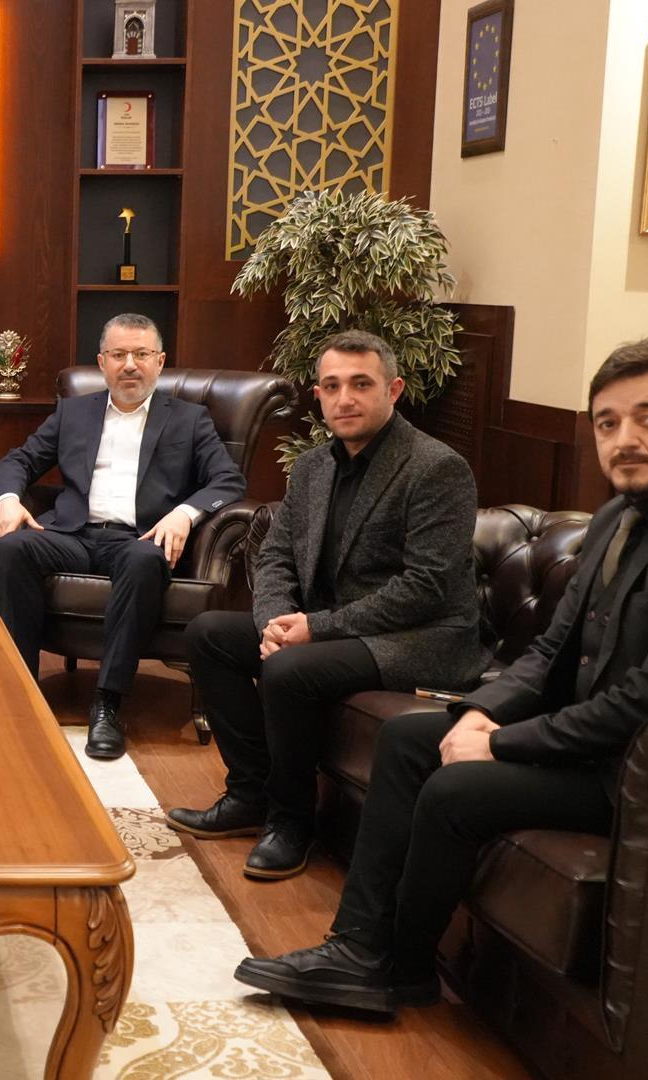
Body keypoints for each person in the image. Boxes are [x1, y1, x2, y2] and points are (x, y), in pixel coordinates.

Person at [233, 339, 648, 1014]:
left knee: (456, 787)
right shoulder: (619, 515)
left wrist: (500, 743)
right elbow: (552, 649)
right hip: (600, 745)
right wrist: (482, 711)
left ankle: (398, 967)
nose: (625, 439)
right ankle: (360, 949)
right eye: (608, 421)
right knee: (409, 740)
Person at [167, 330, 486, 880]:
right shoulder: (314, 466)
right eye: (332, 386)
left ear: (393, 390)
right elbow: (276, 556)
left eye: (361, 384)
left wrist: (315, 628)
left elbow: (425, 587)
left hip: (419, 637)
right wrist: (273, 623)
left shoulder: (437, 467)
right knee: (208, 633)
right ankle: (250, 794)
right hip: (334, 630)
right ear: (317, 395)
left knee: (290, 668)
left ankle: (292, 821)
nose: (345, 399)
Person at [0, 313, 245, 760]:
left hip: (139, 540)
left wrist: (184, 514)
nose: (130, 365)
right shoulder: (74, 412)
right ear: (102, 362)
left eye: (141, 354)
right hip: (73, 534)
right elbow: (19, 460)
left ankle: (107, 703)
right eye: (119, 354)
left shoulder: (189, 420)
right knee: (15, 547)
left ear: (159, 362)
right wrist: (8, 500)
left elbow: (227, 479)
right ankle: (19, 688)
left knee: (145, 561)